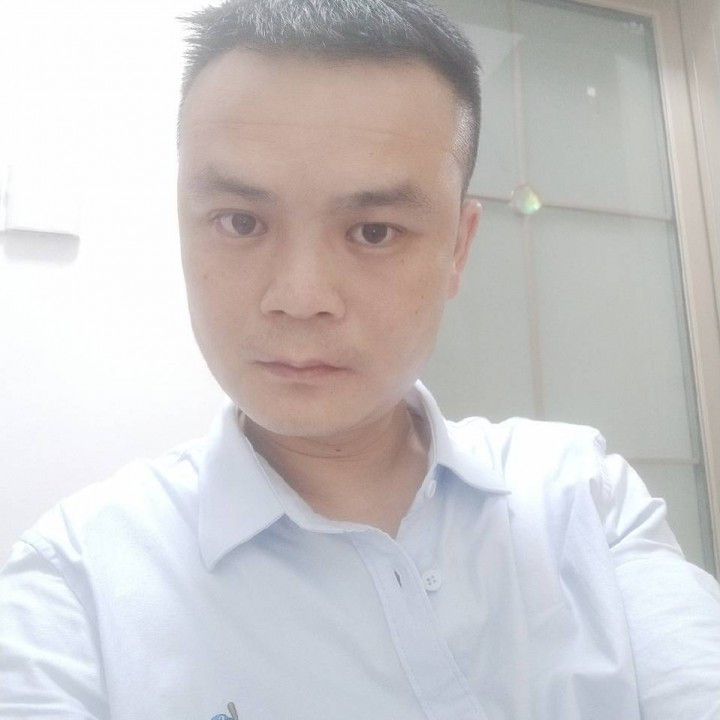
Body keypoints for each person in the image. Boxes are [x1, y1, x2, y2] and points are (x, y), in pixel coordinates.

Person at [1, 0, 720, 718]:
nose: (300, 298)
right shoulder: (75, 586)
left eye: (374, 231)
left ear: (458, 247)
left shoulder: (584, 498)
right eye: (240, 222)